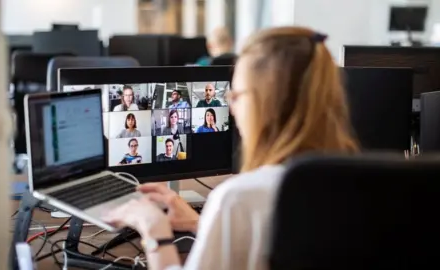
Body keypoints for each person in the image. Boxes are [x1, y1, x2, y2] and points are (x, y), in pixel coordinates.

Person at [102, 27, 359, 270]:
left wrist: (154, 228)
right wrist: (203, 224)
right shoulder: (362, 182)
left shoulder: (241, 196)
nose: (232, 108)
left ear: (265, 104)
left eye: (236, 96)